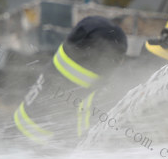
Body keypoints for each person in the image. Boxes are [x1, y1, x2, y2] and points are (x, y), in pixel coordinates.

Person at [10, 15, 128, 151]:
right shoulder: (87, 93)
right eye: (119, 58)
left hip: (15, 138)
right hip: (36, 152)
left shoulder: (61, 65)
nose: (121, 63)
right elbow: (82, 145)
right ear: (104, 59)